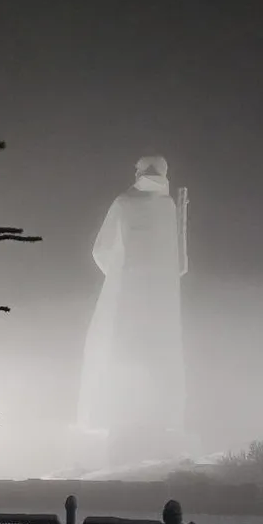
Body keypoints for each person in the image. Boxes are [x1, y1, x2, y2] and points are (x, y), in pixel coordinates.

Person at [77, 154, 188, 465]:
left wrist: (119, 274)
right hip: (161, 303)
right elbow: (179, 264)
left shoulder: (125, 203)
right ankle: (153, 422)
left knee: (122, 354)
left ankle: (122, 422)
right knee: (156, 358)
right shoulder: (169, 207)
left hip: (127, 296)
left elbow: (101, 249)